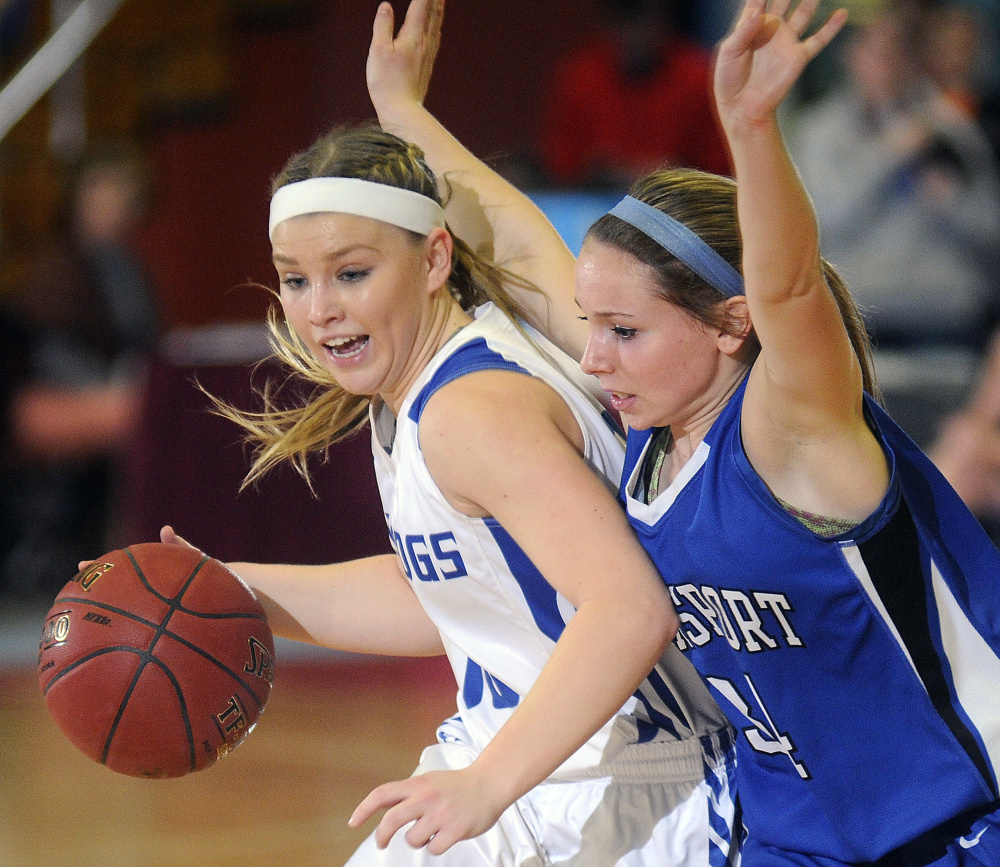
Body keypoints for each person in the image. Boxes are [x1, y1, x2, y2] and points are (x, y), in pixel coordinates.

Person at [371, 0, 1000, 863]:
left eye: (622, 331)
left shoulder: (797, 437)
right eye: (589, 322)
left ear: (728, 325)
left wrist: (749, 129)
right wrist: (402, 113)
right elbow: (516, 234)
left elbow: (786, 291)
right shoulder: (654, 435)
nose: (592, 358)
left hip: (953, 826)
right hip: (789, 836)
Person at [150, 4, 740, 864]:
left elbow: (628, 606)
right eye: (296, 279)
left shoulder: (473, 409)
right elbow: (468, 588)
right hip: (547, 767)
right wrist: (238, 589)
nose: (320, 309)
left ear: (432, 261)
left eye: (352, 273)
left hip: (614, 784)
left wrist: (486, 783)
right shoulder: (432, 383)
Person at [2, 141, 157, 601]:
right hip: (58, 391)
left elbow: (146, 340)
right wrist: (109, 383)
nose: (117, 203)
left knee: (169, 412)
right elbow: (44, 348)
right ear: (79, 196)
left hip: (120, 387)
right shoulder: (56, 266)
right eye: (105, 190)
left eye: (125, 192)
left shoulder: (126, 266)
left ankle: (150, 554)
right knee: (140, 415)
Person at [536, 0, 732, 189]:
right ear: (610, 24)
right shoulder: (579, 79)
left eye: (644, 20)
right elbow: (561, 168)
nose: (636, 35)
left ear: (663, 19)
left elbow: (720, 170)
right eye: (626, 21)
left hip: (682, 206)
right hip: (594, 208)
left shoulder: (700, 76)